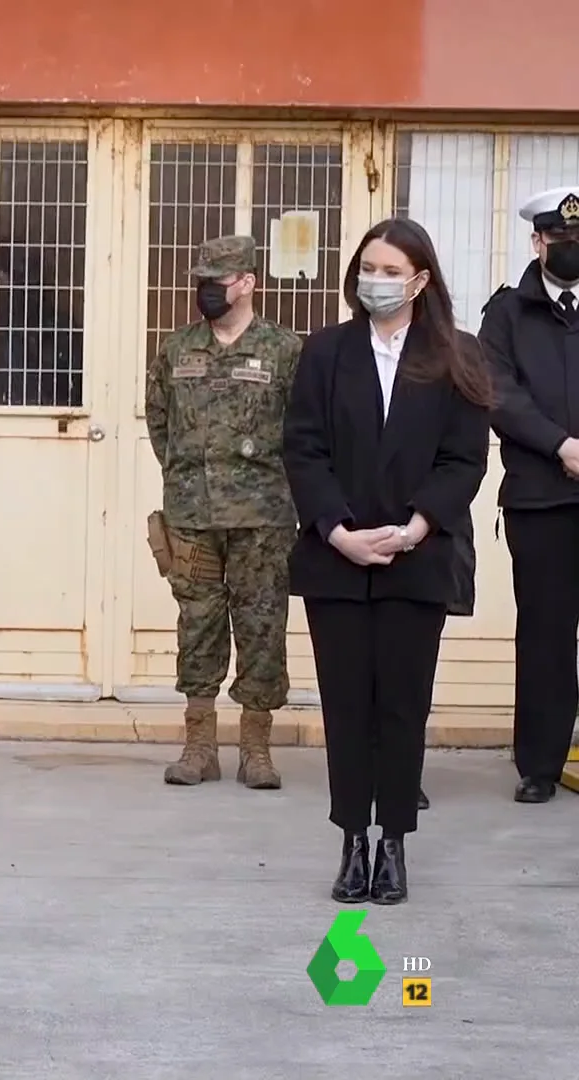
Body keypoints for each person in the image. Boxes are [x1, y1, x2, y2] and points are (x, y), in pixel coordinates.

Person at [283, 218, 492, 905]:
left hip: (416, 559)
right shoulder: (325, 352)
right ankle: (351, 840)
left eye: (391, 270)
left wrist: (414, 527)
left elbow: (463, 458)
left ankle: (394, 841)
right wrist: (339, 530)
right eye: (367, 267)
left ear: (420, 281)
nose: (375, 279)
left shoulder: (456, 356)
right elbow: (303, 447)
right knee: (347, 707)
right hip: (336, 560)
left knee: (401, 707)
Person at [144, 235, 302, 789]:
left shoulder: (284, 351)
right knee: (198, 624)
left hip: (263, 519)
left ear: (248, 283)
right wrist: (186, 477)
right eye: (202, 281)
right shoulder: (176, 349)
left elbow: (303, 432)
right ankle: (199, 746)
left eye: (218, 280)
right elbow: (158, 421)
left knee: (261, 626)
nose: (207, 291)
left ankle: (256, 749)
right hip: (191, 514)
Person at [481, 184, 579, 804]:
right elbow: (497, 391)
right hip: (541, 498)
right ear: (538, 241)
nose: (571, 249)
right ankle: (539, 765)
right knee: (545, 631)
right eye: (562, 240)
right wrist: (560, 445)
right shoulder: (508, 312)